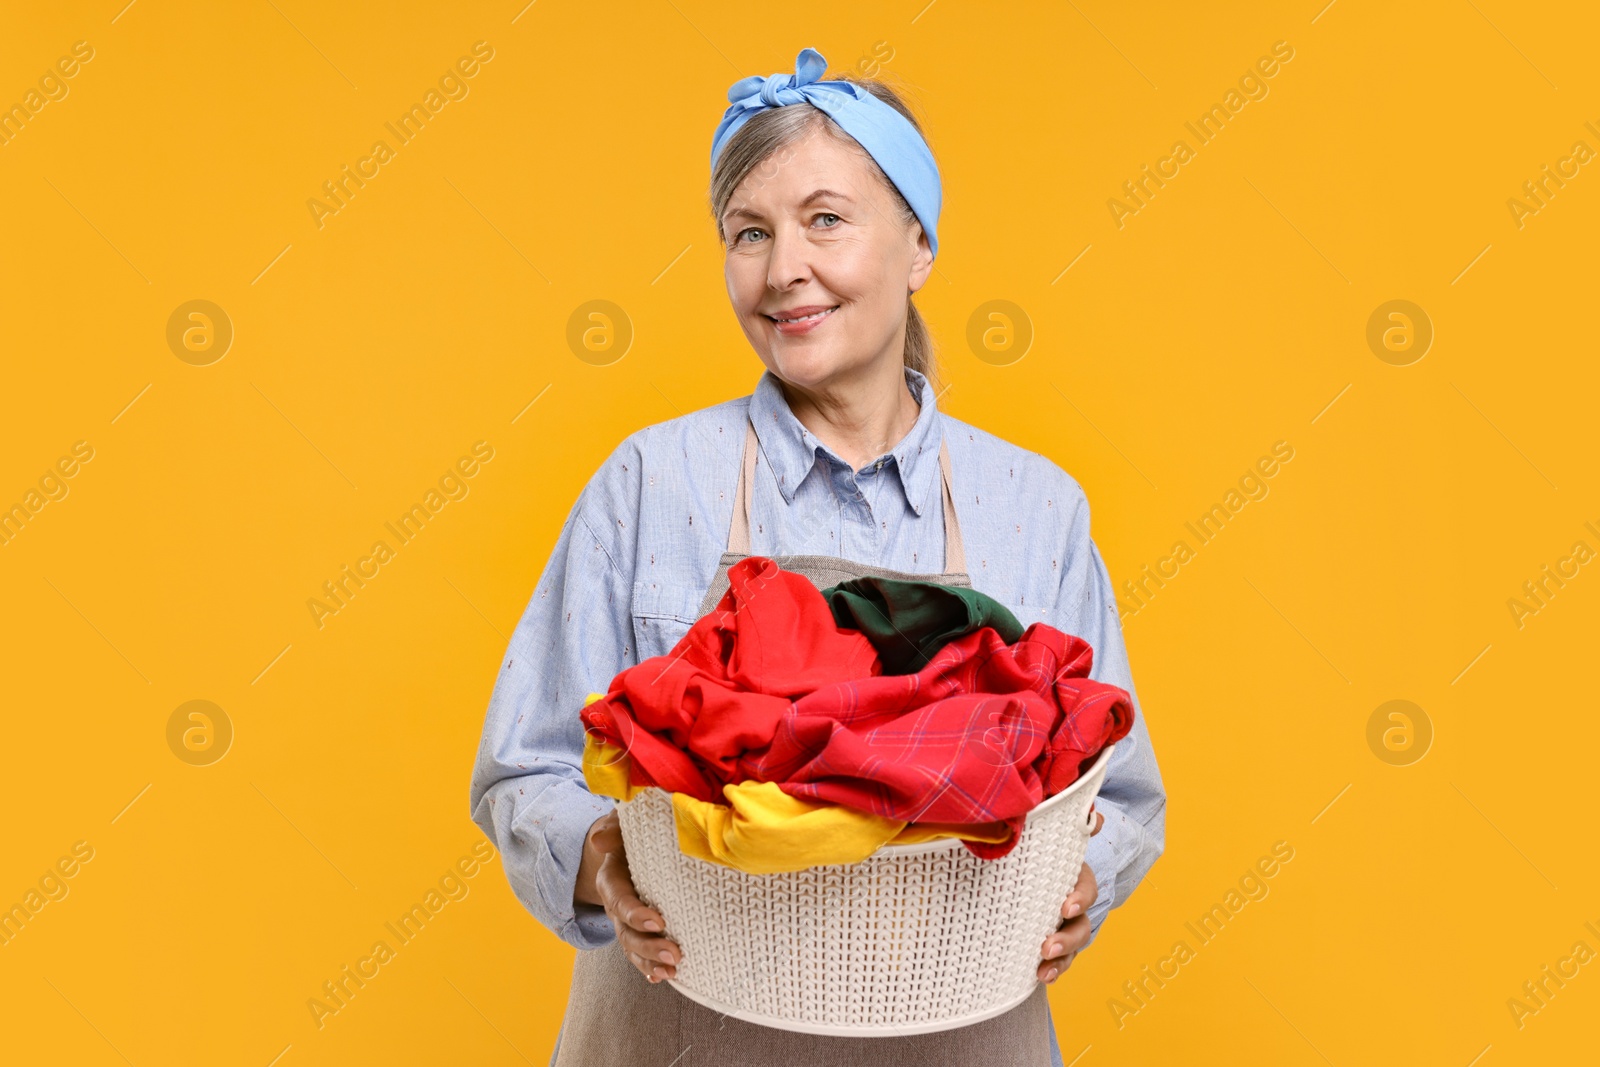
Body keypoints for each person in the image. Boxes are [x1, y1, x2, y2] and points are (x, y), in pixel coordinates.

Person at [469, 46, 1166, 1067]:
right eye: (748, 232)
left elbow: (1120, 791)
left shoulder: (1033, 505)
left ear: (918, 243)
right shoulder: (650, 483)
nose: (783, 266)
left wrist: (1082, 879)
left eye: (825, 219)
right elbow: (521, 766)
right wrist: (607, 861)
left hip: (962, 1031)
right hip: (682, 1027)